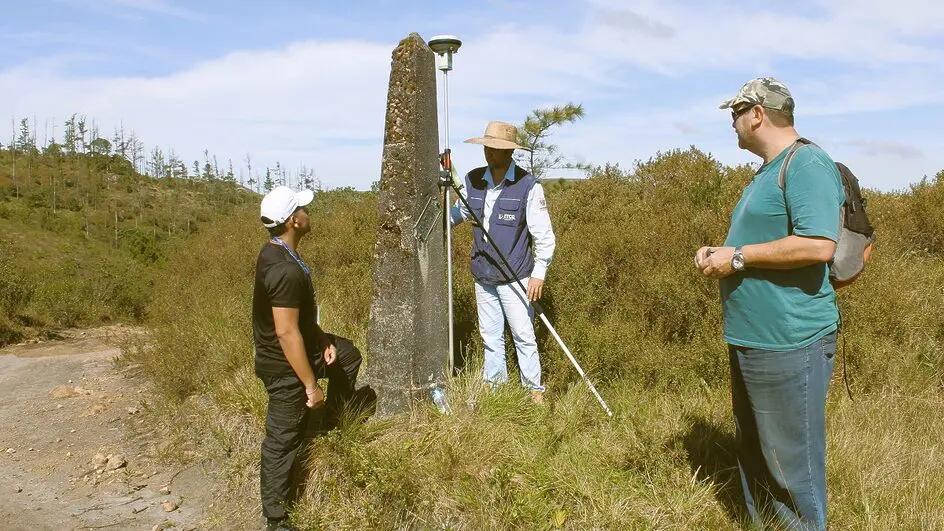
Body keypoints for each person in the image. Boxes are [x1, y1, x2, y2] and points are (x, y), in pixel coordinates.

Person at [695, 77, 845, 530]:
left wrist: (736, 257)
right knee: (759, 456)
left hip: (789, 341)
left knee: (790, 468)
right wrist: (719, 253)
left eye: (735, 115)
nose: (733, 125)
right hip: (754, 337)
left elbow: (819, 245)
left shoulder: (807, 163)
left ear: (757, 113)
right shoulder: (768, 169)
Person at [252, 186, 363, 531]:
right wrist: (311, 385)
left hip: (302, 348)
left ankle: (325, 426)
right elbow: (286, 332)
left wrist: (323, 338)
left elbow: (299, 320)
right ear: (293, 220)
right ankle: (276, 518)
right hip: (285, 366)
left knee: (347, 355)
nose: (307, 212)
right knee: (281, 440)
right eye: (302, 208)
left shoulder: (280, 252)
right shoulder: (283, 269)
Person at [451, 120, 556, 403]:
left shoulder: (528, 186)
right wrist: (442, 219)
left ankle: (533, 392)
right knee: (491, 338)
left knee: (523, 336)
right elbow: (458, 213)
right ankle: (496, 393)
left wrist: (539, 273)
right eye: (487, 146)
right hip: (483, 275)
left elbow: (544, 236)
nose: (489, 152)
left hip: (517, 277)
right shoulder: (472, 180)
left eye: (496, 148)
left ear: (510, 152)